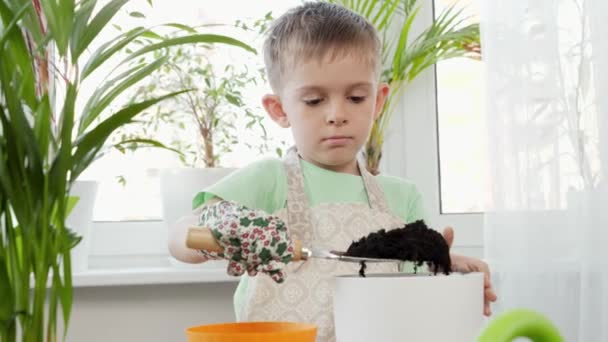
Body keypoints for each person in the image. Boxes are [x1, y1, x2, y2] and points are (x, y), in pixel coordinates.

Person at [169, 2, 497, 341]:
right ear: (279, 109)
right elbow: (181, 237)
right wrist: (222, 230)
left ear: (378, 100)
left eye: (355, 97)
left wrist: (448, 265)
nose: (337, 114)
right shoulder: (268, 181)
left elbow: (414, 292)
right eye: (314, 101)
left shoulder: (401, 198)